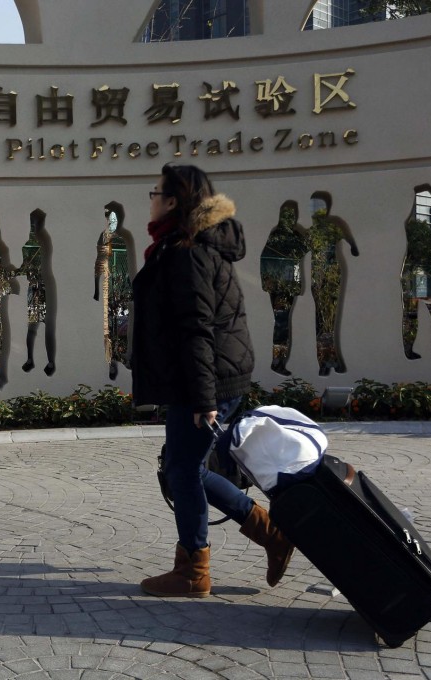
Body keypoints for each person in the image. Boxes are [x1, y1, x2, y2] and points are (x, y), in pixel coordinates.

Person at [131, 165, 294, 597]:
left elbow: (197, 328)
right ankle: (268, 532)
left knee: (183, 470)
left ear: (172, 201)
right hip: (209, 379)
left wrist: (204, 399)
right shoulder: (192, 247)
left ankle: (194, 571)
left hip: (205, 384)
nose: (149, 199)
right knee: (188, 468)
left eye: (155, 192)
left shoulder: (187, 252)